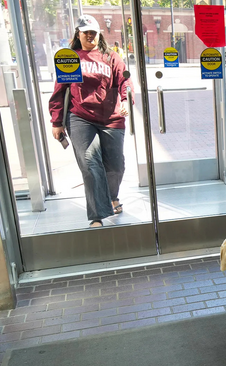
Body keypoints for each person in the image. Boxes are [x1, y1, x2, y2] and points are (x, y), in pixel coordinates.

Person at [49, 15, 131, 228]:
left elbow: (125, 82)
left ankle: (112, 196)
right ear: (78, 33)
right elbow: (59, 92)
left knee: (116, 166)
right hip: (80, 117)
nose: (89, 35)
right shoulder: (71, 58)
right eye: (85, 32)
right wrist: (56, 122)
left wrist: (126, 100)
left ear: (99, 34)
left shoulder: (111, 57)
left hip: (111, 118)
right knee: (89, 163)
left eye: (93, 32)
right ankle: (97, 215)